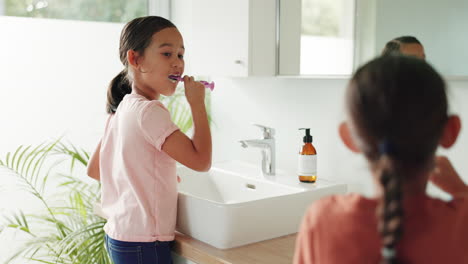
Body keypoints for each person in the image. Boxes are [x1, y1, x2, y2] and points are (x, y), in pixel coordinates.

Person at [293, 55, 468, 264]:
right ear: (451, 131)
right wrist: (461, 190)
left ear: (350, 137)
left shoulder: (323, 221)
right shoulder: (460, 225)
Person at [86, 16, 212, 264]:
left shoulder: (123, 108)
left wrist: (151, 178)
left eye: (181, 55)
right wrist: (197, 106)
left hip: (120, 236)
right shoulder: (150, 111)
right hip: (144, 243)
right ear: (136, 59)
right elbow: (201, 162)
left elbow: (95, 169)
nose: (178, 64)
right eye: (167, 54)